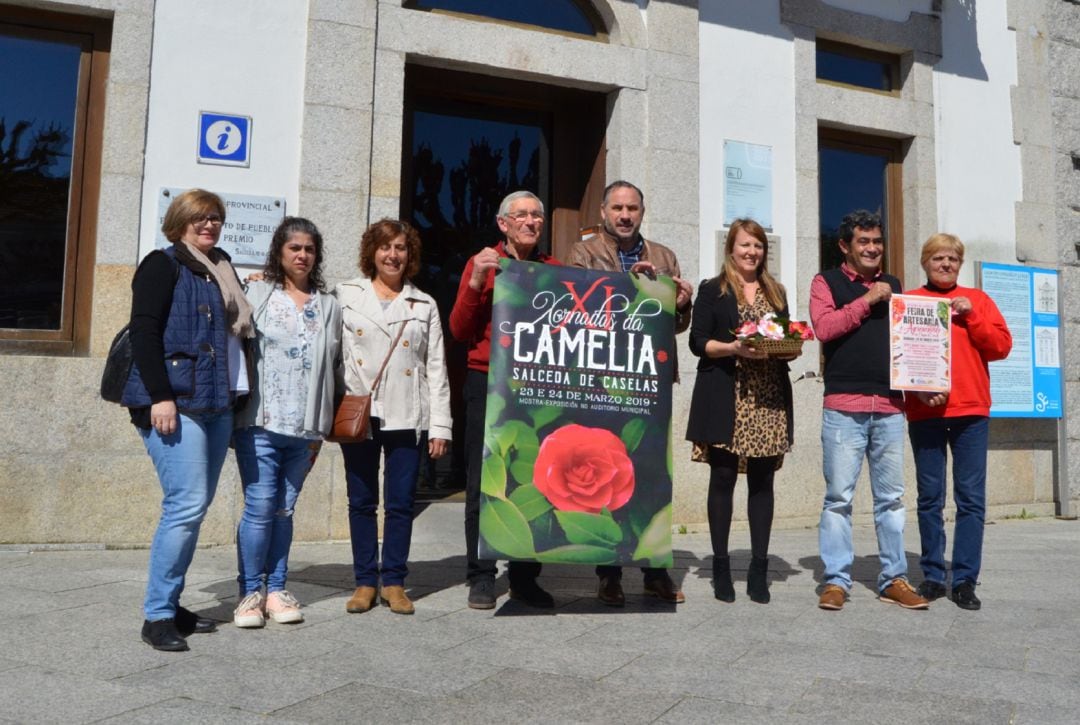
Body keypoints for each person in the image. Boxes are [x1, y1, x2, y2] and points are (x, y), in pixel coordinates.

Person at [122, 188, 254, 651]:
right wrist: (160, 396)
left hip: (217, 403)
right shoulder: (163, 264)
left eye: (216, 217)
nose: (210, 224)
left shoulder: (220, 266)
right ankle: (157, 615)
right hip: (176, 403)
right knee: (185, 504)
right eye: (200, 217)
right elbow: (144, 330)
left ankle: (171, 602)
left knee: (193, 508)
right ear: (179, 220)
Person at [567, 180, 694, 607]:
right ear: (603, 212)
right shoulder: (582, 252)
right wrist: (628, 282)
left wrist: (683, 302)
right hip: (604, 380)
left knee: (652, 474)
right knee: (607, 475)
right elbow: (579, 308)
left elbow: (673, 326)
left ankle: (656, 572)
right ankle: (610, 574)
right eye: (617, 208)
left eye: (633, 208)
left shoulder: (664, 256)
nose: (625, 215)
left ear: (643, 212)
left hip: (651, 380)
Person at [809, 210, 929, 611]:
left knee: (892, 499)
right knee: (839, 498)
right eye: (864, 241)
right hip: (844, 406)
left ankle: (893, 577)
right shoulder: (825, 281)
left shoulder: (893, 284)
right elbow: (823, 329)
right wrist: (867, 300)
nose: (873, 248)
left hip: (892, 407)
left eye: (877, 241)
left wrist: (923, 384)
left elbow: (908, 341)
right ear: (845, 246)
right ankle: (836, 580)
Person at [449, 190, 561, 610]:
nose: (531, 222)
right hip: (487, 381)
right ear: (503, 223)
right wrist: (477, 281)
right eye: (522, 215)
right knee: (483, 480)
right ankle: (481, 575)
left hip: (537, 386)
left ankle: (525, 577)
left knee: (533, 479)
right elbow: (460, 331)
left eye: (537, 215)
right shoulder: (482, 264)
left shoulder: (555, 270)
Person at [336, 219, 451, 615]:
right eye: (385, 247)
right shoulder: (346, 295)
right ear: (372, 252)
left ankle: (396, 582)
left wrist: (440, 426)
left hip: (407, 412)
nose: (393, 255)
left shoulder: (424, 304)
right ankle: (365, 581)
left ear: (410, 255)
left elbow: (436, 369)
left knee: (400, 502)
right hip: (360, 413)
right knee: (362, 501)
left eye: (400, 247)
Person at [231, 218, 342, 628]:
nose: (302, 255)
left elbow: (337, 363)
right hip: (260, 422)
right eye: (294, 247)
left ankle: (276, 589)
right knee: (259, 507)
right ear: (279, 251)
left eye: (309, 249)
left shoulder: (328, 304)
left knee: (284, 510)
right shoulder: (258, 292)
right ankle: (249, 593)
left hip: (307, 427)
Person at [685, 219, 797, 604]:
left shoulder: (777, 291)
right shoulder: (712, 290)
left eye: (759, 246)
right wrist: (734, 349)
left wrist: (790, 347)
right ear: (731, 248)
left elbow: (785, 338)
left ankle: (759, 570)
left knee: (763, 483)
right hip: (727, 394)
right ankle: (720, 568)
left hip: (767, 395)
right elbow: (697, 343)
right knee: (723, 478)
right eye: (746, 245)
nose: (752, 252)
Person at [904, 233, 1011, 611]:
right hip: (925, 412)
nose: (945, 264)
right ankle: (933, 574)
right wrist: (914, 391)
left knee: (971, 500)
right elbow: (898, 358)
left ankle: (964, 578)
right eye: (938, 258)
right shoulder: (911, 302)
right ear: (925, 263)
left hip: (971, 411)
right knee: (929, 498)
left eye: (952, 258)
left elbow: (1001, 347)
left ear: (960, 264)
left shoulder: (978, 300)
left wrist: (972, 315)